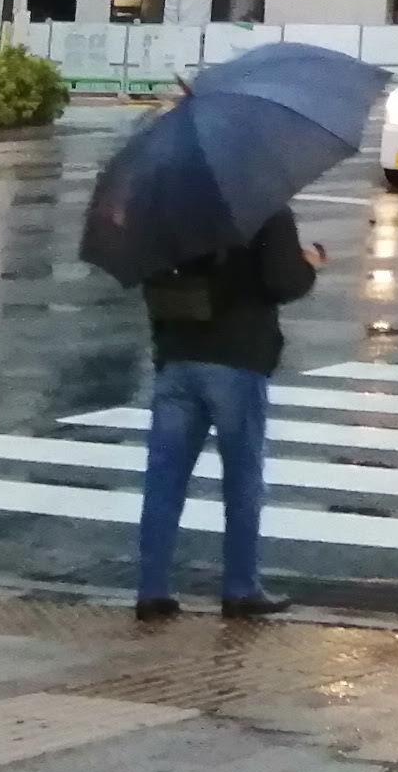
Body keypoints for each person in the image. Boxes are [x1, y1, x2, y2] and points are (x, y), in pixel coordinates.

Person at [133, 207, 321, 622]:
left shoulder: (168, 207)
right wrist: (308, 264)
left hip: (176, 355)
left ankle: (152, 590)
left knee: (164, 480)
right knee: (242, 481)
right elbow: (281, 281)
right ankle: (240, 589)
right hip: (236, 358)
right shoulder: (263, 209)